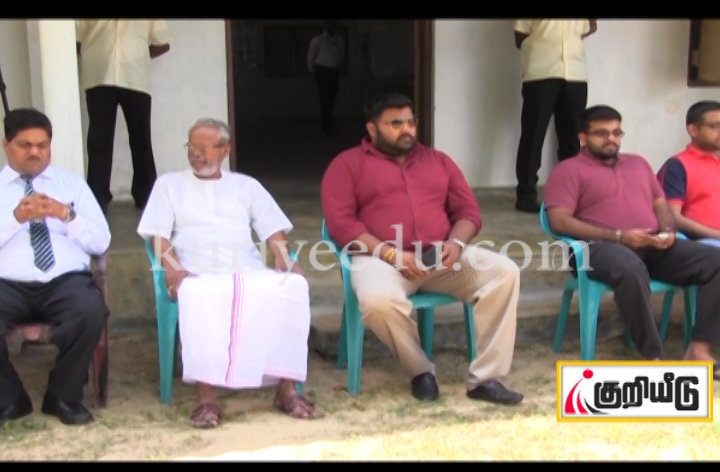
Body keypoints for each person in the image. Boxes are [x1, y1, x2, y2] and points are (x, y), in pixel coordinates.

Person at [321, 93, 524, 405]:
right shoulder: (347, 165)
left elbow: (468, 213)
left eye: (410, 122)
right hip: (381, 259)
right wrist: (391, 254)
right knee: (377, 301)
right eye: (395, 123)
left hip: (440, 258)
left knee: (504, 272)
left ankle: (485, 379)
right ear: (372, 129)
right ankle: (420, 371)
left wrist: (456, 243)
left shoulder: (438, 161)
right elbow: (342, 225)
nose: (406, 129)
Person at [137, 117, 322, 428]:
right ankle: (206, 397)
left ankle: (286, 389)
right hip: (195, 271)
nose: (196, 153)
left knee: (292, 287)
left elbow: (272, 227)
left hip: (246, 267)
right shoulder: (168, 185)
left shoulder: (245, 185)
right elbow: (158, 234)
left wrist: (283, 257)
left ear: (225, 150)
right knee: (199, 295)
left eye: (204, 147)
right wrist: (171, 266)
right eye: (191, 146)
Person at [544, 105, 720, 369]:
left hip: (650, 245)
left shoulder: (638, 164)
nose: (611, 139)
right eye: (601, 133)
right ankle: (652, 357)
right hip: (596, 248)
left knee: (715, 261)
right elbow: (558, 220)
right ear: (582, 137)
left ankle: (699, 349)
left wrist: (668, 232)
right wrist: (619, 236)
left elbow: (660, 203)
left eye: (616, 132)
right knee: (630, 267)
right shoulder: (568, 170)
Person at [0, 108, 111, 427]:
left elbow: (101, 241)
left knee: (90, 311)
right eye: (25, 145)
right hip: (7, 284)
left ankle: (63, 396)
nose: (35, 152)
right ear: (6, 145)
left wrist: (66, 215)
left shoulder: (72, 185)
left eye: (42, 145)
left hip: (65, 282)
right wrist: (16, 219)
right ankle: (9, 398)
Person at [75, 19, 172, 214]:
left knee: (141, 139)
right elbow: (74, 39)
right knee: (98, 141)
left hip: (135, 78)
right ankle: (96, 198)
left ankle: (146, 195)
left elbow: (163, 42)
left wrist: (138, 56)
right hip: (99, 77)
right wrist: (92, 55)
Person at [513, 19, 597, 214]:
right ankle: (526, 196)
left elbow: (590, 26)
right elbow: (520, 36)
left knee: (572, 140)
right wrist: (548, 41)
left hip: (575, 74)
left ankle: (569, 196)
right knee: (533, 137)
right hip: (541, 73)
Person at [658, 101, 720, 248]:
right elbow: (672, 217)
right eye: (715, 126)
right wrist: (717, 235)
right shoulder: (677, 165)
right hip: (700, 243)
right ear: (693, 130)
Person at [307, 20, 344, 135]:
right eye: (329, 24)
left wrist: (336, 67)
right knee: (324, 99)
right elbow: (310, 58)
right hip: (322, 71)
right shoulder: (317, 40)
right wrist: (315, 73)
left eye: (333, 24)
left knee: (332, 98)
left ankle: (329, 125)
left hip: (334, 71)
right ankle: (325, 127)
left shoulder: (339, 40)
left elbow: (341, 54)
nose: (331, 27)